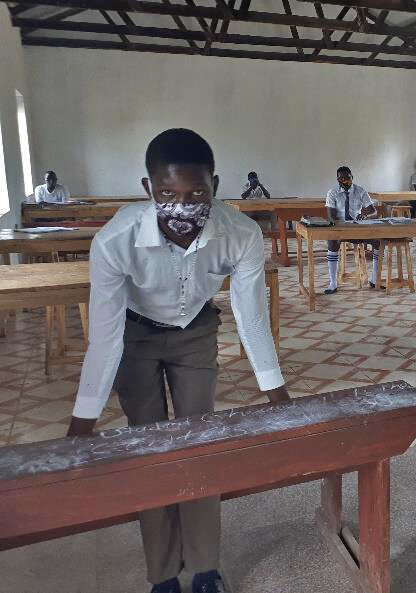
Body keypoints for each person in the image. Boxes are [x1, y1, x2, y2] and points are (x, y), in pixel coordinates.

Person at [66, 128, 289, 593]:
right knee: (149, 450)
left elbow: (252, 319)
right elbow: (105, 338)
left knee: (198, 444)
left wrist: (279, 397)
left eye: (196, 193)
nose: (182, 206)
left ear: (215, 186)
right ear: (148, 189)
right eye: (167, 193)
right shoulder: (115, 240)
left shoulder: (240, 234)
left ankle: (206, 568)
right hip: (135, 338)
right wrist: (82, 422)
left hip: (196, 335)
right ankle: (163, 575)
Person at [324, 166, 380, 294]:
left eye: (348, 177)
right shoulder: (332, 193)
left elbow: (373, 212)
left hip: (357, 227)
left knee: (378, 240)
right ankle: (333, 282)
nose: (345, 180)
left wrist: (365, 216)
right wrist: (340, 225)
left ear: (352, 177)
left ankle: (374, 278)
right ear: (338, 180)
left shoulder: (360, 191)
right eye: (341, 178)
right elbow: (331, 216)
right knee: (332, 241)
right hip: (341, 229)